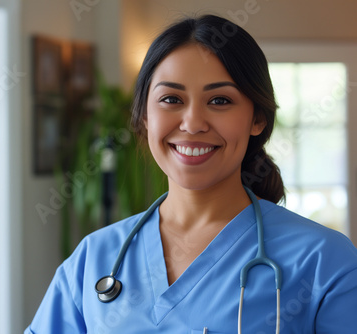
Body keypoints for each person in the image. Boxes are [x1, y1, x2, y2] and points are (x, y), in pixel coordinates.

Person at [24, 14, 357, 333]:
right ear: (144, 117)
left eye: (220, 100)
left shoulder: (324, 260)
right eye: (171, 98)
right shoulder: (93, 259)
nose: (193, 123)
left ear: (257, 119)